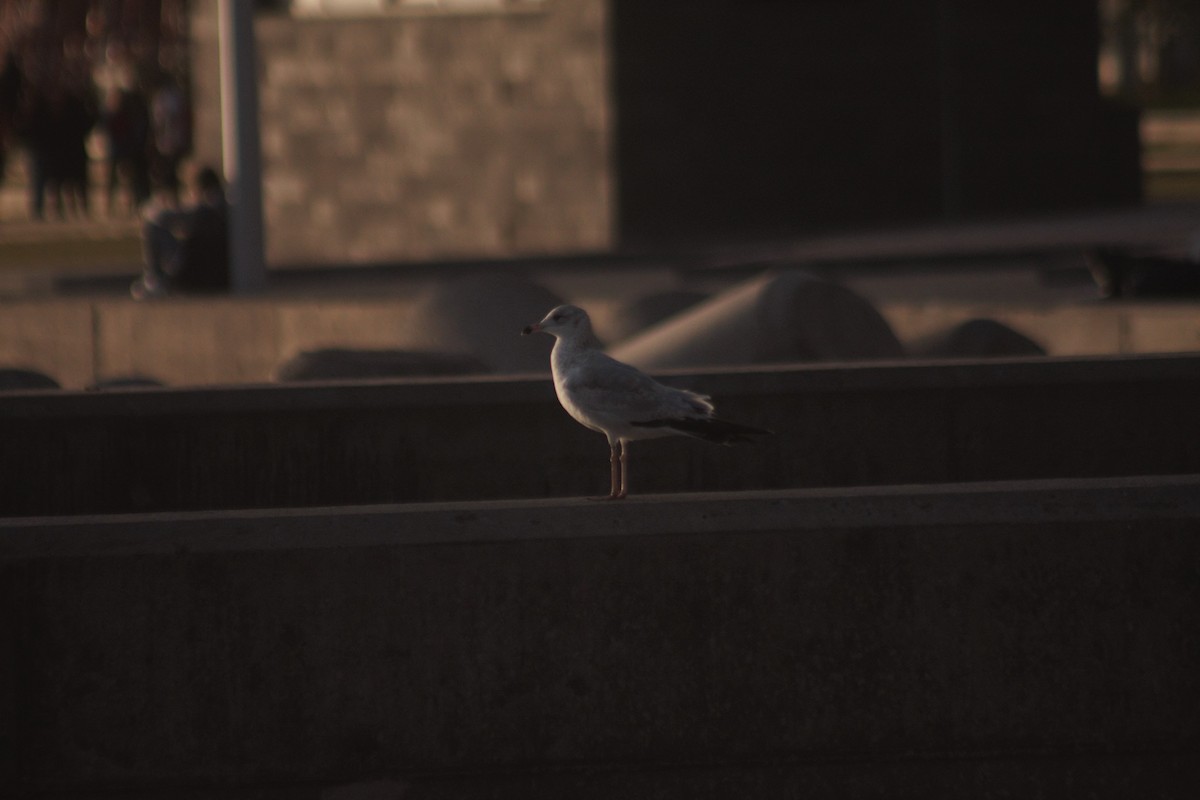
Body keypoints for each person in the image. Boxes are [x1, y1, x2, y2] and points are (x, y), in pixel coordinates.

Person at [131, 164, 230, 300]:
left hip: (198, 272)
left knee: (153, 227)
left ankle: (154, 279)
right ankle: (154, 279)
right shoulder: (225, 206)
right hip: (217, 273)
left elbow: (161, 217)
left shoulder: (209, 206)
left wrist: (166, 207)